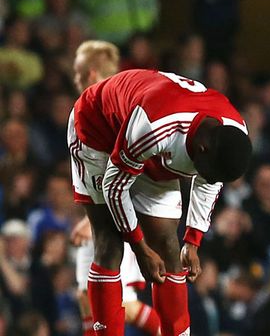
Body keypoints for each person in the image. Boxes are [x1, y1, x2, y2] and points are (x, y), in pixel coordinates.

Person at [68, 62, 251, 335]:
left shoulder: (232, 132)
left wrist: (192, 240)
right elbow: (115, 187)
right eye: (208, 174)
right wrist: (140, 248)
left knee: (168, 246)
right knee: (109, 243)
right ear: (201, 149)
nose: (209, 180)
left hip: (147, 144)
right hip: (98, 129)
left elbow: (210, 182)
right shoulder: (156, 125)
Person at [68, 40, 162, 336]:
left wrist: (89, 218)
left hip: (119, 218)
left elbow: (128, 175)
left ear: (92, 74)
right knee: (87, 299)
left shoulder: (114, 113)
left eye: (78, 73)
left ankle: (172, 331)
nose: (74, 80)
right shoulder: (92, 110)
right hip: (105, 214)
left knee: (119, 303)